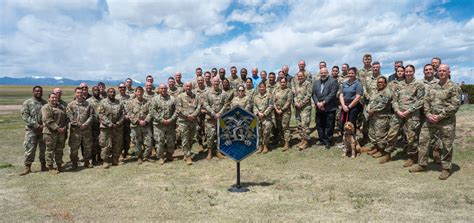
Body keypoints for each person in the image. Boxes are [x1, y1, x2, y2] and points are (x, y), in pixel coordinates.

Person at [410, 64, 461, 180]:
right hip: (431, 120)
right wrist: (428, 114)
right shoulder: (434, 86)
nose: (441, 72)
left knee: (446, 144)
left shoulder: (454, 87)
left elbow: (455, 105)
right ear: (437, 72)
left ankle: (445, 168)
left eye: (444, 71)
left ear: (449, 72)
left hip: (446, 121)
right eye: (440, 71)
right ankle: (422, 164)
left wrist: (440, 116)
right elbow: (426, 101)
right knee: (423, 140)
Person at [387, 65, 424, 168]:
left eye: (410, 71)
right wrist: (397, 110)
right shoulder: (399, 85)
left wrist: (409, 110)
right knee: (392, 133)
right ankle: (388, 153)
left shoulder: (419, 85)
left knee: (411, 136)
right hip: (398, 113)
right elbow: (394, 100)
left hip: (412, 114)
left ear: (414, 72)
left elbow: (421, 100)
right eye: (406, 72)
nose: (408, 73)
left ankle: (412, 157)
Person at [20, 86, 47, 175]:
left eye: (40, 91)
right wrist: (36, 125)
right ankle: (27, 167)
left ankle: (43, 165)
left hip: (43, 130)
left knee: (44, 149)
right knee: (30, 149)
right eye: (37, 91)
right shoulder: (27, 102)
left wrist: (44, 125)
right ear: (33, 92)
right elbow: (25, 116)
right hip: (31, 130)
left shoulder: (45, 103)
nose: (39, 92)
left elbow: (48, 115)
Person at [365, 76, 393, 164]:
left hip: (382, 117)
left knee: (380, 135)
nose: (379, 84)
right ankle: (376, 148)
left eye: (381, 82)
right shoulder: (376, 92)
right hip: (373, 116)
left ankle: (382, 151)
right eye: (378, 82)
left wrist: (372, 110)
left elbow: (383, 104)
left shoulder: (387, 92)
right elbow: (370, 102)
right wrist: (368, 109)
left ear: (385, 83)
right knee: (372, 134)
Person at [66, 87, 94, 169]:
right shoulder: (70, 105)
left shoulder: (88, 104)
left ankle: (87, 161)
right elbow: (70, 117)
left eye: (81, 93)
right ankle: (74, 162)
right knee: (74, 148)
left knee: (87, 147)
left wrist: (85, 124)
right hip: (75, 131)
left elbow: (92, 116)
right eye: (78, 93)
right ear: (75, 93)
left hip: (86, 130)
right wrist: (79, 125)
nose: (79, 94)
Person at [202, 77, 229, 160]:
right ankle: (210, 152)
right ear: (212, 82)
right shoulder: (206, 93)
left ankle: (218, 151)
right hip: (210, 118)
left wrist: (220, 113)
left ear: (219, 82)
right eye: (214, 81)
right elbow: (205, 105)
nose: (216, 83)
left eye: (217, 81)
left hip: (221, 118)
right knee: (210, 136)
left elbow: (226, 104)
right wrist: (214, 113)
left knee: (220, 135)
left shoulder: (224, 93)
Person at [312, 67, 339, 149]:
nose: (323, 74)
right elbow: (313, 94)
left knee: (329, 125)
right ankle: (322, 140)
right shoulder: (316, 82)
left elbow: (332, 94)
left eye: (325, 73)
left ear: (328, 73)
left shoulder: (333, 81)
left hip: (329, 108)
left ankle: (329, 141)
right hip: (319, 108)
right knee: (320, 125)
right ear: (320, 73)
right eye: (321, 73)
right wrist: (317, 103)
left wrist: (323, 103)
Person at [98, 88, 125, 169]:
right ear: (107, 93)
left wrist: (118, 123)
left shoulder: (119, 102)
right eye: (110, 92)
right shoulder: (102, 102)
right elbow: (101, 115)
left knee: (117, 144)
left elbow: (123, 114)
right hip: (106, 128)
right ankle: (105, 161)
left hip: (117, 127)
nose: (112, 93)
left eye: (113, 92)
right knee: (106, 145)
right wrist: (110, 124)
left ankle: (115, 159)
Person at [150, 84, 177, 165]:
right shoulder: (155, 99)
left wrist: (171, 119)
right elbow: (153, 111)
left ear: (167, 89)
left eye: (165, 88)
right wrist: (161, 120)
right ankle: (160, 157)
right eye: (161, 88)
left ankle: (169, 155)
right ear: (159, 89)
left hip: (170, 124)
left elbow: (176, 110)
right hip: (159, 125)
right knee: (159, 141)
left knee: (170, 141)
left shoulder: (172, 98)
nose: (163, 90)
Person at [42, 92, 68, 174]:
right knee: (50, 150)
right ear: (49, 98)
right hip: (50, 133)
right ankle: (50, 167)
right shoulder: (46, 107)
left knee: (59, 149)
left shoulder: (61, 107)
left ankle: (59, 165)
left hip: (61, 133)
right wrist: (57, 128)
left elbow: (66, 118)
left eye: (55, 97)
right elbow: (47, 119)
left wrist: (65, 127)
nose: (54, 99)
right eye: (52, 97)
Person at [176, 82, 201, 165]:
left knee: (191, 138)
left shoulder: (196, 96)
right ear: (184, 87)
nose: (188, 87)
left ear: (192, 87)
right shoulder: (180, 97)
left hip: (193, 121)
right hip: (184, 121)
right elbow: (179, 108)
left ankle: (187, 152)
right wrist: (187, 116)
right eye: (187, 86)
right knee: (185, 139)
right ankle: (188, 156)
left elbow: (198, 107)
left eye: (190, 86)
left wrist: (193, 115)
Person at [128, 86, 153, 164]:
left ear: (143, 92)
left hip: (146, 125)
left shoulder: (147, 102)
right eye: (138, 91)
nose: (139, 93)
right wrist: (138, 121)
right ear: (135, 93)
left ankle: (146, 156)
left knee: (149, 142)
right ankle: (139, 157)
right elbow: (129, 113)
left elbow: (151, 112)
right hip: (136, 126)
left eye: (141, 91)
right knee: (137, 142)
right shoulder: (131, 102)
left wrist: (145, 121)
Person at [339, 67, 363, 134]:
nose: (351, 74)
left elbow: (358, 97)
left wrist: (349, 107)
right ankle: (344, 140)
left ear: (355, 74)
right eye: (349, 73)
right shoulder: (344, 84)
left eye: (352, 73)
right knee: (342, 122)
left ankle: (352, 139)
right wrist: (343, 106)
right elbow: (341, 95)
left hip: (354, 105)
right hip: (344, 105)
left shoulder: (358, 84)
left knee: (351, 123)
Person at [253, 82, 274, 154]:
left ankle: (265, 146)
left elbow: (271, 106)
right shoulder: (256, 97)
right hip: (258, 117)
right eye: (260, 87)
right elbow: (254, 106)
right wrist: (258, 113)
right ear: (258, 88)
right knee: (259, 132)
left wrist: (264, 114)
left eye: (263, 87)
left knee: (266, 132)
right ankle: (260, 146)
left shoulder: (269, 95)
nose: (261, 88)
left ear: (265, 87)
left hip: (266, 117)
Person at [294, 71, 313, 150]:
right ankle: (302, 140)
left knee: (305, 124)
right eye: (298, 76)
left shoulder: (308, 84)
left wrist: (301, 103)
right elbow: (295, 95)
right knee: (299, 124)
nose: (300, 77)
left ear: (304, 76)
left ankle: (306, 142)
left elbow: (309, 95)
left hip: (305, 107)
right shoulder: (297, 84)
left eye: (301, 76)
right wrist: (296, 102)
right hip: (297, 107)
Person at [273, 78, 293, 151]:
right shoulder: (276, 90)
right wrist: (276, 109)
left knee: (285, 127)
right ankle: (282, 141)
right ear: (279, 82)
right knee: (279, 127)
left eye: (284, 82)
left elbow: (289, 101)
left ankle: (287, 143)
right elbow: (273, 101)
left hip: (285, 112)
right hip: (277, 112)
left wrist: (282, 109)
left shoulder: (289, 91)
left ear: (286, 83)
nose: (283, 83)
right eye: (281, 82)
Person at [86, 86, 102, 165]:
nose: (97, 91)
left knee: (101, 141)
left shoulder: (103, 100)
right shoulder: (88, 101)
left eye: (98, 90)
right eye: (95, 90)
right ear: (92, 91)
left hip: (102, 124)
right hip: (92, 125)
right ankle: (93, 158)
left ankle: (100, 156)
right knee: (92, 142)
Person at [116, 83, 131, 162]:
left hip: (128, 121)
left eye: (124, 87)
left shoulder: (129, 97)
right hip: (119, 121)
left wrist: (129, 115)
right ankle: (120, 153)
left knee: (128, 138)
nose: (122, 88)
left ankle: (126, 151)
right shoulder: (115, 98)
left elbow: (132, 107)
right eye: (120, 87)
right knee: (119, 138)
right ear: (118, 88)